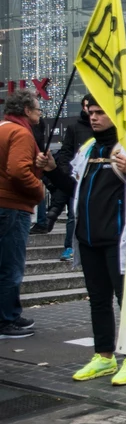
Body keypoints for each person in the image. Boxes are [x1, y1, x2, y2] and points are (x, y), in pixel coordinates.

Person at [41, 96, 126, 385]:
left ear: (115, 115)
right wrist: (51, 170)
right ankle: (104, 356)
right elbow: (72, 188)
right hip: (87, 238)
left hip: (120, 239)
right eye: (91, 112)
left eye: (100, 112)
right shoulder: (87, 149)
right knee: (97, 300)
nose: (93, 117)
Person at [0, 89, 46, 339]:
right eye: (38, 109)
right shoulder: (21, 133)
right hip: (13, 206)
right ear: (27, 110)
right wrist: (38, 190)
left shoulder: (3, 128)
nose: (40, 113)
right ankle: (7, 319)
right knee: (11, 265)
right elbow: (18, 170)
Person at [46, 97, 94, 261]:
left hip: (94, 178)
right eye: (89, 108)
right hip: (76, 178)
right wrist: (67, 171)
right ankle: (69, 247)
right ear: (83, 107)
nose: (92, 114)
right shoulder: (74, 128)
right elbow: (66, 152)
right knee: (73, 215)